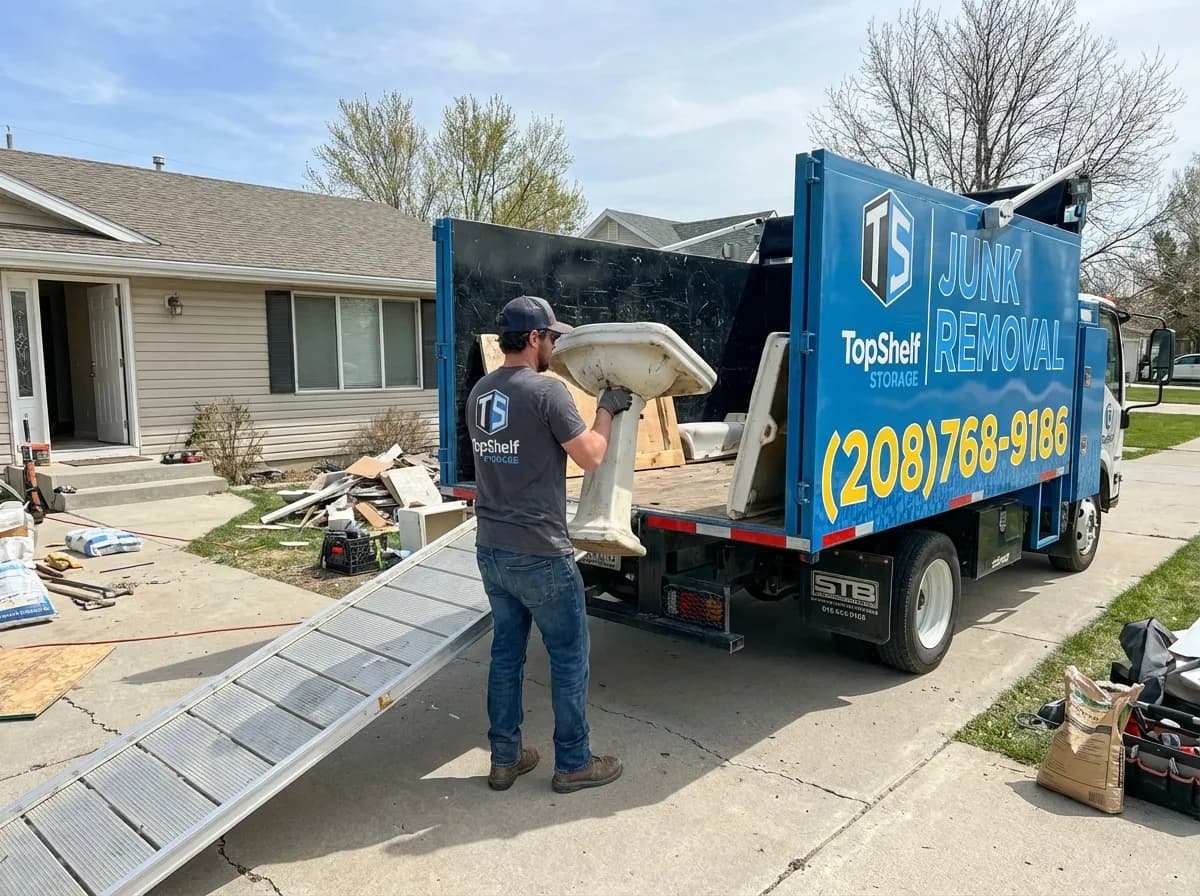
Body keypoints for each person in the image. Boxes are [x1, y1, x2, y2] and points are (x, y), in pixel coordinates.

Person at [466, 295, 632, 793]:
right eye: (552, 337)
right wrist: (605, 410)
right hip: (539, 551)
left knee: (506, 654)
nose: (555, 345)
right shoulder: (547, 392)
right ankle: (575, 762)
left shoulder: (480, 391)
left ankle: (504, 758)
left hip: (491, 548)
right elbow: (592, 457)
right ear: (534, 338)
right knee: (568, 655)